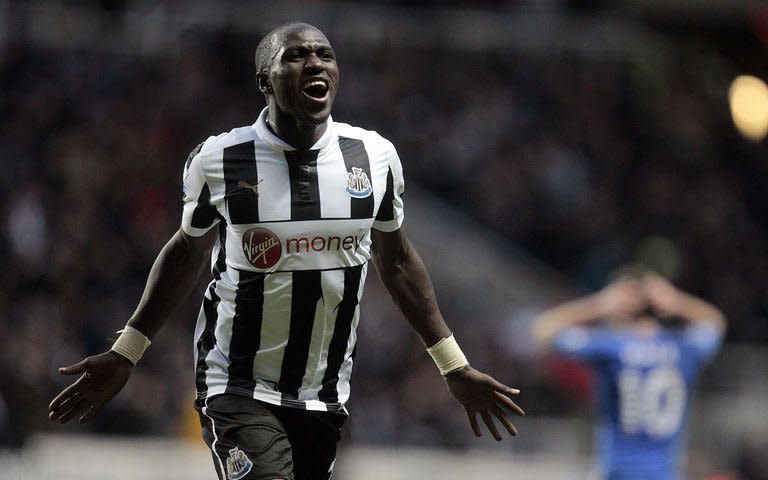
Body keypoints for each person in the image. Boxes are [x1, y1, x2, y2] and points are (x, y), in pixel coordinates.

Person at [48, 22, 524, 480]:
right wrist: (126, 352)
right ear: (266, 81)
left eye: (325, 55)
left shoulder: (374, 158)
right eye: (295, 56)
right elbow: (185, 255)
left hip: (324, 396)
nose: (314, 63)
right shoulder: (221, 160)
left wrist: (453, 365)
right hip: (235, 386)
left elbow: (396, 262)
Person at [531, 268, 726, 480]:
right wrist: (677, 301)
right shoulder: (682, 347)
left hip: (618, 472)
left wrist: (597, 305)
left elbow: (542, 330)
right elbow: (715, 323)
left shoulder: (611, 346)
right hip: (665, 473)